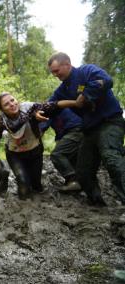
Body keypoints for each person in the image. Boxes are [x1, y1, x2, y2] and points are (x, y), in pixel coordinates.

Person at [48, 52, 125, 206]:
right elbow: (51, 105)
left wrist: (85, 95)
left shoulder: (87, 71)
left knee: (111, 158)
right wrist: (36, 112)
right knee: (83, 173)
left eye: (57, 71)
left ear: (67, 64)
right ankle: (97, 204)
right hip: (89, 130)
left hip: (110, 122)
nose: (55, 75)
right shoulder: (62, 89)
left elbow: (106, 80)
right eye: (53, 72)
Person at [0, 92, 77, 200]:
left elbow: (53, 105)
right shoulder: (1, 120)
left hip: (35, 151)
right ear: (2, 109)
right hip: (15, 154)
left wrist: (76, 103)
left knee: (36, 185)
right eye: (6, 104)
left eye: (12, 100)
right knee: (23, 184)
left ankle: (36, 191)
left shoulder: (30, 108)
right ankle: (24, 201)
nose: (12, 104)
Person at [40, 108, 83, 192]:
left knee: (57, 154)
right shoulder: (59, 109)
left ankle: (72, 180)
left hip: (75, 130)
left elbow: (40, 131)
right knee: (69, 157)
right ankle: (76, 182)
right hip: (78, 130)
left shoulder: (47, 111)